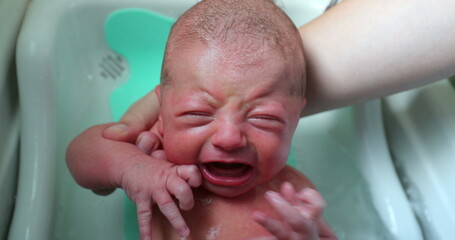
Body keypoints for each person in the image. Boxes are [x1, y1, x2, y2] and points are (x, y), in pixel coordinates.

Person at [67, 0, 336, 239]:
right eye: (198, 114)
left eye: (263, 118)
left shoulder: (293, 197)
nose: (229, 138)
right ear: (161, 113)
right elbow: (78, 156)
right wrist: (131, 170)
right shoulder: (156, 159)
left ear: (296, 119)